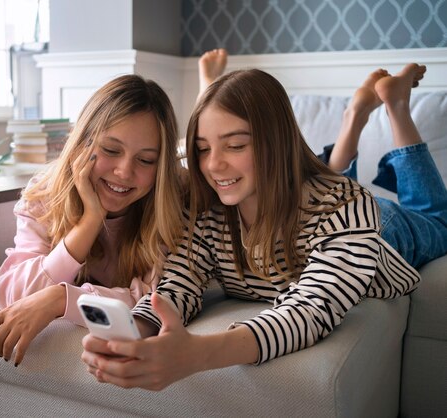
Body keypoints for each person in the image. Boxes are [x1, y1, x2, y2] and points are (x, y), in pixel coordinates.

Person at [80, 60, 447, 390]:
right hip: (305, 203)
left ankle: (397, 107)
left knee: (438, 221)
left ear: (275, 142)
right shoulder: (206, 209)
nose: (213, 166)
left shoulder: (348, 208)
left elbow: (311, 309)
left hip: (387, 230)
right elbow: (180, 282)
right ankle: (362, 114)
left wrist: (196, 355)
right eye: (204, 148)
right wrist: (136, 330)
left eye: (235, 146)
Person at [0, 74, 185, 367]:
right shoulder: (45, 195)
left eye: (145, 160)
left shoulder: (168, 208)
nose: (124, 172)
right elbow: (15, 293)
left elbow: (148, 304)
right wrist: (90, 221)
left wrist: (61, 299)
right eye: (111, 150)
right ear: (82, 144)